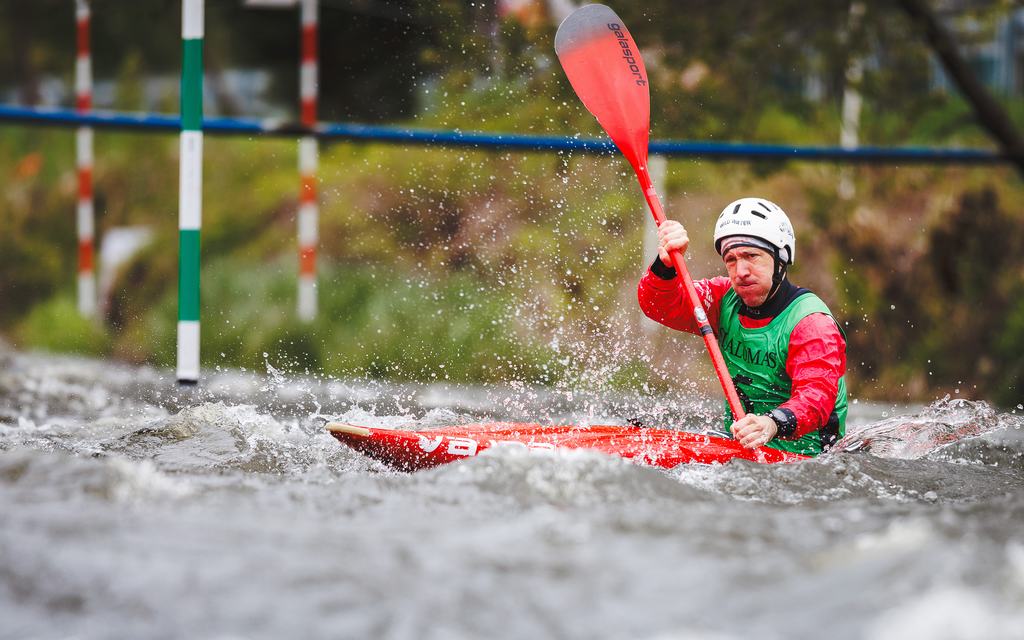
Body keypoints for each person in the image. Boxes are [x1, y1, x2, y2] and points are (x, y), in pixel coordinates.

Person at [637, 197, 847, 456]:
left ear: (781, 258)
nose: (741, 271)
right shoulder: (723, 299)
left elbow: (817, 398)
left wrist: (771, 423)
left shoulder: (811, 324)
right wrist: (665, 265)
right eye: (731, 259)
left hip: (810, 460)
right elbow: (658, 305)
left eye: (751, 256)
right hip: (743, 451)